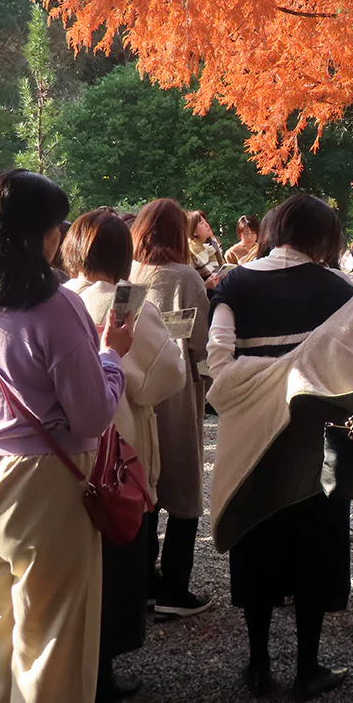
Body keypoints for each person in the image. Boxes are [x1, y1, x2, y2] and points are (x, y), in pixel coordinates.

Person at [0, 169, 132, 703]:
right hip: (41, 484)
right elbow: (91, 417)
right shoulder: (57, 308)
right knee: (51, 637)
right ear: (37, 232)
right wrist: (112, 358)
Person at [206, 194, 353, 700]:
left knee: (256, 539)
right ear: (325, 237)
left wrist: (263, 382)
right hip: (320, 444)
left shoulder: (236, 283)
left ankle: (258, 664)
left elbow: (218, 362)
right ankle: (309, 666)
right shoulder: (343, 290)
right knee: (317, 546)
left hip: (251, 441)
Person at [62, 208, 186, 702]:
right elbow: (167, 376)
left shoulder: (58, 299)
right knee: (114, 558)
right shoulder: (128, 306)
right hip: (118, 452)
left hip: (61, 453)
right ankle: (101, 672)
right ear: (122, 255)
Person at [130, 199, 211, 619]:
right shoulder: (186, 277)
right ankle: (175, 589)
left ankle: (143, 582)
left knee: (144, 484)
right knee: (183, 482)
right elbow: (200, 343)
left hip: (135, 392)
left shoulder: (130, 274)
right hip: (177, 392)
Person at [187, 209, 225, 289]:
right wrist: (206, 285)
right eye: (202, 223)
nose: (207, 225)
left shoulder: (213, 245)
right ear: (193, 231)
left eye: (205, 221)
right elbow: (187, 288)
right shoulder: (190, 253)